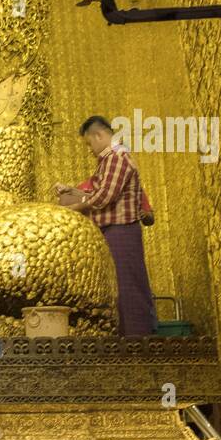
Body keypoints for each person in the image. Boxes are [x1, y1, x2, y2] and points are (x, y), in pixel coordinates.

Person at [56, 115, 158, 337]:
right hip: (112, 231)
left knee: (128, 287)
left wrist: (73, 208)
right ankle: (127, 338)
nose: (90, 149)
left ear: (99, 135)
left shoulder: (117, 157)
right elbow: (95, 193)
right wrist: (71, 193)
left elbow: (103, 198)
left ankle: (137, 341)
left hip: (121, 231)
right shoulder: (107, 161)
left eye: (89, 143)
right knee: (117, 289)